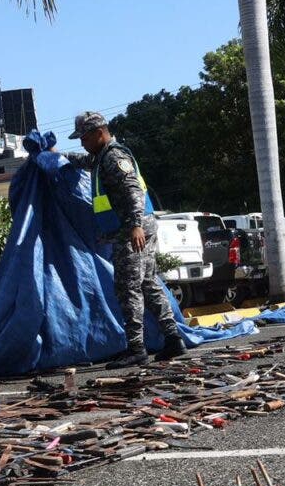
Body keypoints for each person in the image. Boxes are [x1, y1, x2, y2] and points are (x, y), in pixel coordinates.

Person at [56, 111, 187, 368]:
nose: (81, 142)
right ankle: (173, 338)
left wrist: (135, 225)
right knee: (148, 283)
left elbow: (133, 191)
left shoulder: (114, 157)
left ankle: (136, 348)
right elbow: (86, 161)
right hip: (138, 229)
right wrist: (58, 155)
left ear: (98, 133)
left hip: (132, 232)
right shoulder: (102, 157)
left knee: (128, 288)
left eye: (83, 137)